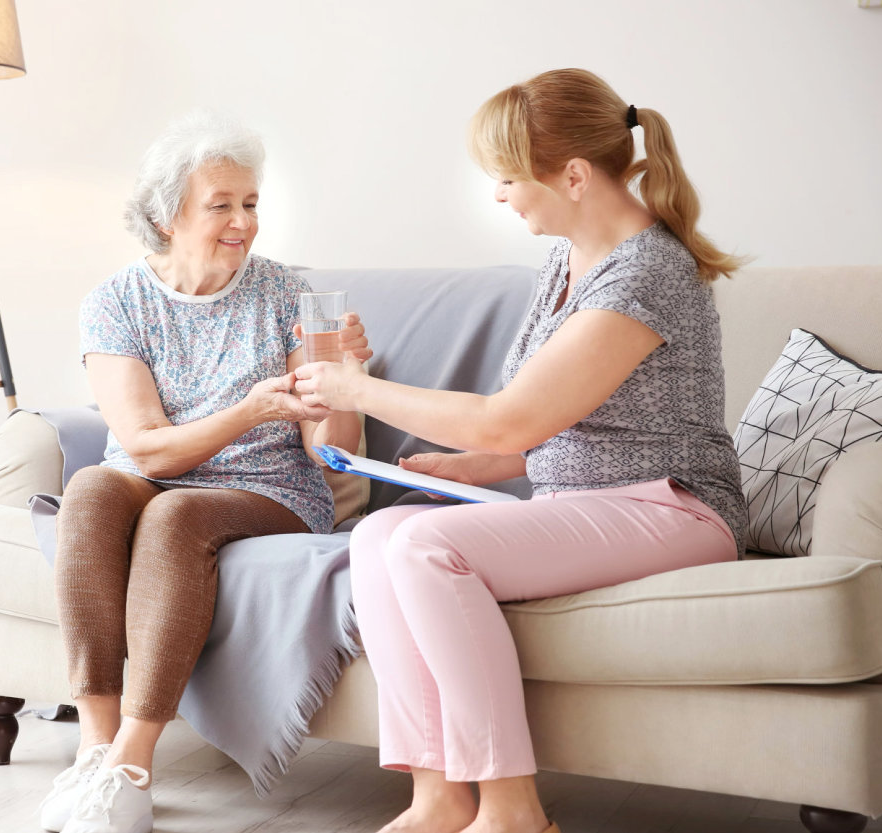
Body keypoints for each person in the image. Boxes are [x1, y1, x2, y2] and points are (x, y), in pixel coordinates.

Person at [294, 69, 747, 833]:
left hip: (675, 507)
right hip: (590, 501)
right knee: (377, 535)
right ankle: (436, 797)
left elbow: (507, 420)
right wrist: (477, 468)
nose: (500, 196)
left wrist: (354, 389)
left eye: (506, 177)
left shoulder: (644, 274)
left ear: (572, 175)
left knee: (429, 548)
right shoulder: (565, 263)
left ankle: (512, 811)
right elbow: (549, 425)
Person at [40, 112, 371, 833]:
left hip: (269, 487)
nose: (241, 222)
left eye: (249, 203)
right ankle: (94, 748)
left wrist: (345, 379)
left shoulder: (288, 296)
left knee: (175, 514)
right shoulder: (116, 302)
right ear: (167, 215)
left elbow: (326, 447)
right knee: (93, 487)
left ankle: (133, 762)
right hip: (155, 471)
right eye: (220, 204)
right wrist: (249, 408)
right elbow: (149, 449)